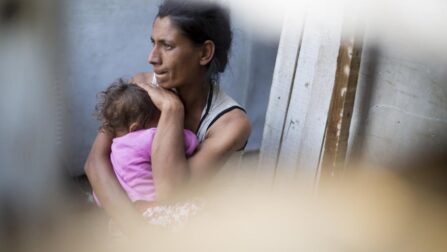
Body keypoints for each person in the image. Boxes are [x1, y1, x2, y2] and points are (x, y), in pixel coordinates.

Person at [84, 0, 251, 233]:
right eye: (153, 43)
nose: (152, 58)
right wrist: (138, 232)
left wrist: (172, 109)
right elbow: (95, 162)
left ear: (204, 53)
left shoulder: (230, 124)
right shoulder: (140, 87)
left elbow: (169, 192)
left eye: (167, 46)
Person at [92, 79, 198, 213]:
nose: (160, 124)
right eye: (158, 120)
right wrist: (172, 118)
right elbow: (191, 141)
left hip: (132, 214)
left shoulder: (113, 150)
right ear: (136, 128)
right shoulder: (147, 136)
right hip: (157, 208)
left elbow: (98, 197)